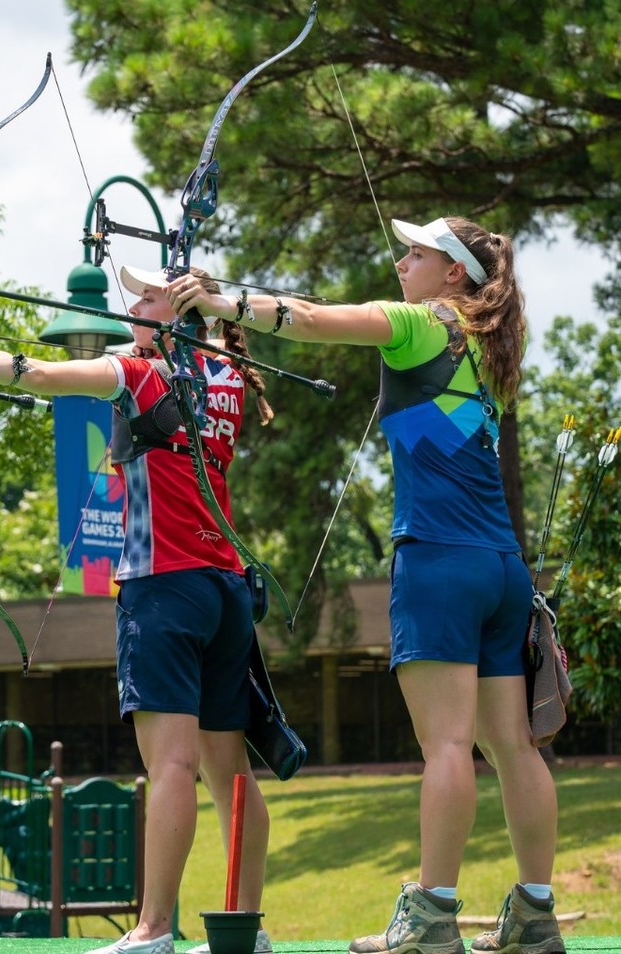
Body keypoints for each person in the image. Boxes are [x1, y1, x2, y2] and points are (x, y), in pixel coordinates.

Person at [165, 217, 564, 954]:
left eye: (417, 253)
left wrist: (221, 305)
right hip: (503, 569)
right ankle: (535, 916)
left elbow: (313, 319)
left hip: (439, 566)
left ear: (453, 274)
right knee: (513, 746)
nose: (400, 260)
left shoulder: (418, 324)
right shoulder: (492, 344)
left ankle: (433, 915)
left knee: (446, 744)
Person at [0, 265, 275, 954]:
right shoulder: (228, 378)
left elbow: (41, 375)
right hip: (223, 588)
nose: (132, 306)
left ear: (178, 311)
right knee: (233, 774)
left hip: (161, 585)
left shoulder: (140, 373)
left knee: (170, 765)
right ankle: (244, 933)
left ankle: (154, 930)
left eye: (147, 297)